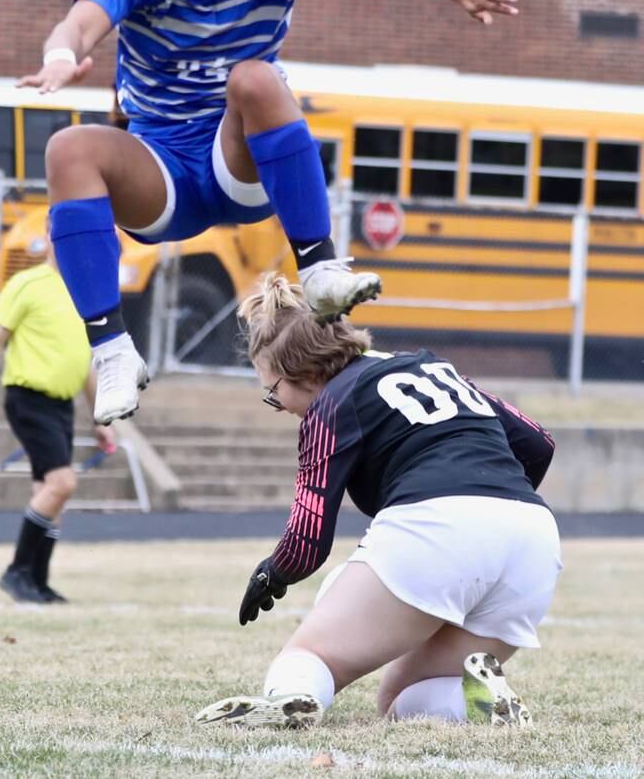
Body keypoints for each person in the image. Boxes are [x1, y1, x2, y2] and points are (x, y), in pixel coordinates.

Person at [17, 0, 520, 426]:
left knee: (255, 76)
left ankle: (318, 269)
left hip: (239, 165)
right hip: (161, 174)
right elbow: (85, 19)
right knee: (70, 149)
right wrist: (60, 55)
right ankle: (111, 350)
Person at [194, 274, 560, 730]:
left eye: (274, 392)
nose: (280, 405)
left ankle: (293, 698)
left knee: (310, 655)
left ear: (306, 374)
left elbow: (309, 538)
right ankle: (477, 701)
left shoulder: (333, 400)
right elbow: (539, 442)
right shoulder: (429, 367)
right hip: (535, 539)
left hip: (441, 525)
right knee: (399, 698)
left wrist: (274, 571)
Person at [0, 219, 115, 604]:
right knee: (62, 484)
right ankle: (16, 571)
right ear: (48, 237)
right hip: (28, 398)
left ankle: (37, 582)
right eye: (59, 232)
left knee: (50, 493)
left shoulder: (87, 295)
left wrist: (100, 419)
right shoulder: (27, 284)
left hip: (61, 405)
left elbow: (84, 364)